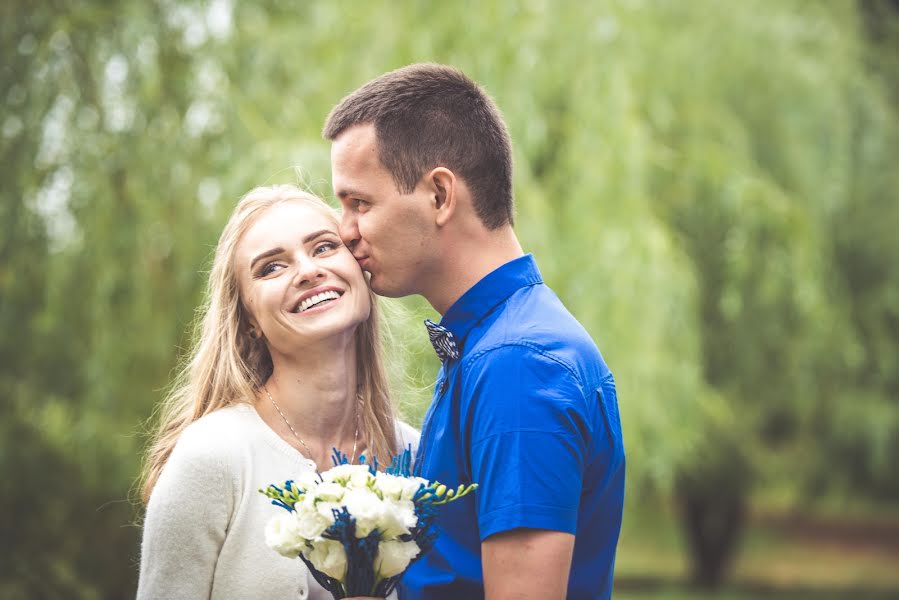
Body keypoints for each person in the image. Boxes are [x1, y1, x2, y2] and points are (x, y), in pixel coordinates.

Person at [323, 64, 625, 600]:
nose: (344, 233)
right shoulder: (492, 344)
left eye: (359, 204)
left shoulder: (517, 364)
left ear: (440, 195)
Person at [136, 184, 418, 600]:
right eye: (271, 268)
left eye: (324, 247)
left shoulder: (416, 453)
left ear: (360, 269)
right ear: (248, 318)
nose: (307, 270)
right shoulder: (212, 457)